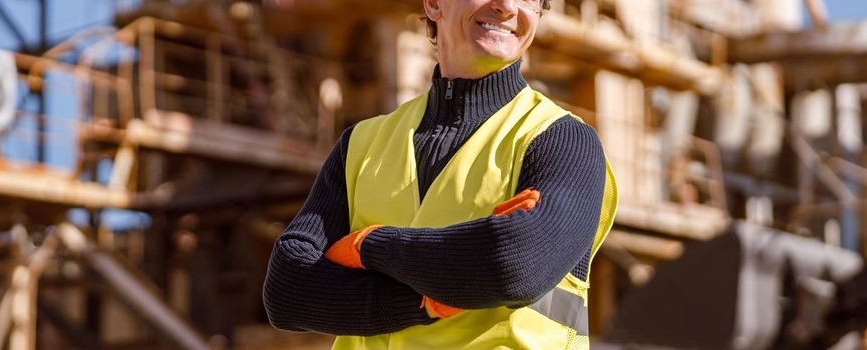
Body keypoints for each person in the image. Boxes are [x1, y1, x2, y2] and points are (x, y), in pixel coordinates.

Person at [262, 0, 616, 348]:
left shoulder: (562, 139)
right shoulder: (361, 144)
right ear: (433, 3)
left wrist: (369, 246)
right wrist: (425, 301)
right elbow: (288, 291)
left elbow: (514, 264)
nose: (508, 7)